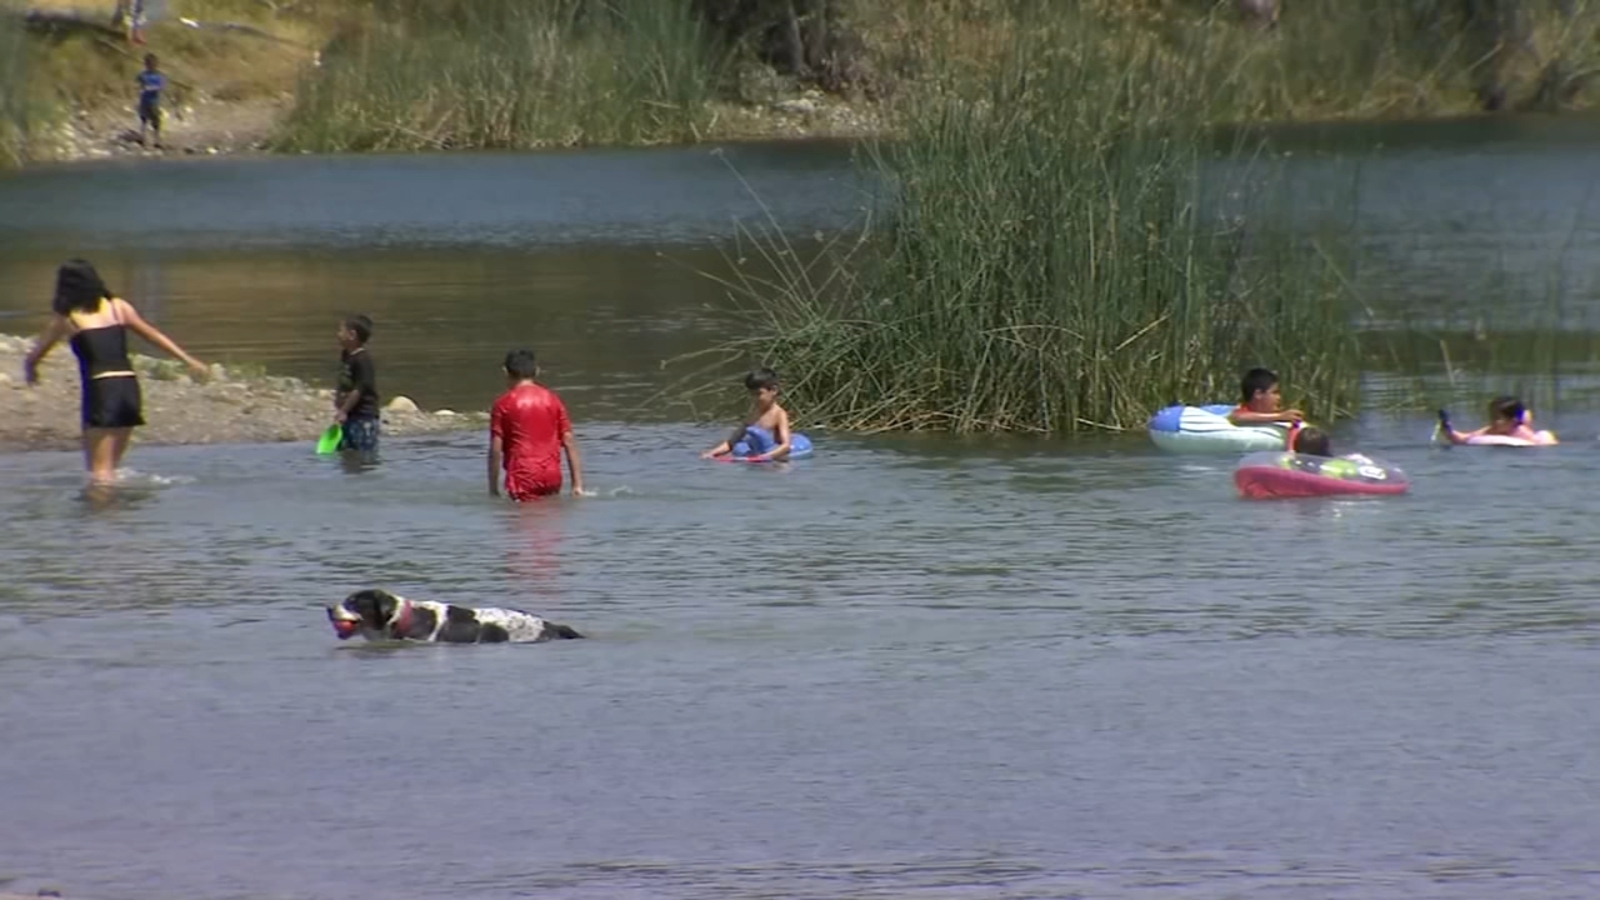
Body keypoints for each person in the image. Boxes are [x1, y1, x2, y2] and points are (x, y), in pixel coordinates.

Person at [21, 259, 207, 483]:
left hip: (101, 389)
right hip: (129, 388)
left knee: (99, 472)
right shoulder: (119, 307)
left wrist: (31, 369)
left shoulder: (68, 318)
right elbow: (153, 335)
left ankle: (99, 517)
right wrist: (189, 360)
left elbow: (37, 353)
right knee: (113, 469)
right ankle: (118, 515)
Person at [489, 349, 588, 500]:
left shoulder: (503, 404)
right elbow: (569, 441)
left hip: (523, 475)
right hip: (552, 474)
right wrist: (577, 485)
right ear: (537, 370)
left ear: (505, 371)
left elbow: (496, 449)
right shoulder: (553, 400)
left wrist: (493, 488)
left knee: (523, 521)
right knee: (549, 519)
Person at [701, 367, 796, 462]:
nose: (754, 398)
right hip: (756, 457)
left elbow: (786, 446)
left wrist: (764, 457)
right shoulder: (753, 414)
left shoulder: (779, 414)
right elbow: (732, 442)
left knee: (780, 469)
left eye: (758, 394)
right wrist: (712, 453)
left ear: (774, 390)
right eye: (752, 394)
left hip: (775, 460)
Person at [332, 314, 380, 454]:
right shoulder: (346, 355)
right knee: (345, 453)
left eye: (341, 331)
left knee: (364, 455)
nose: (338, 334)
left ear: (352, 335)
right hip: (349, 415)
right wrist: (338, 400)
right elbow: (344, 382)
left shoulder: (363, 360)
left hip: (364, 416)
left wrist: (343, 410)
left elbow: (360, 389)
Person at [1437, 396, 1558, 445]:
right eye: (1492, 417)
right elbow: (1464, 439)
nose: (1493, 422)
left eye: (1498, 418)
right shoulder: (1491, 430)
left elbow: (1533, 445)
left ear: (1513, 421)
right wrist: (1448, 430)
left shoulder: (1521, 432)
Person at [1227, 367, 1305, 426]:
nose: (1279, 397)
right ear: (1258, 394)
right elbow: (1236, 417)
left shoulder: (1277, 418)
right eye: (1274, 392)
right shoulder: (1242, 412)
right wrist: (1279, 416)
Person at [136, 53, 165, 148]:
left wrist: (151, 88)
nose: (150, 65)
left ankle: (157, 140)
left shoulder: (159, 76)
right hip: (144, 100)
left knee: (156, 121)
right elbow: (139, 84)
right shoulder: (143, 75)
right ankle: (142, 138)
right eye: (148, 63)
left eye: (152, 63)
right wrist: (143, 86)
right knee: (143, 119)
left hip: (154, 101)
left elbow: (161, 87)